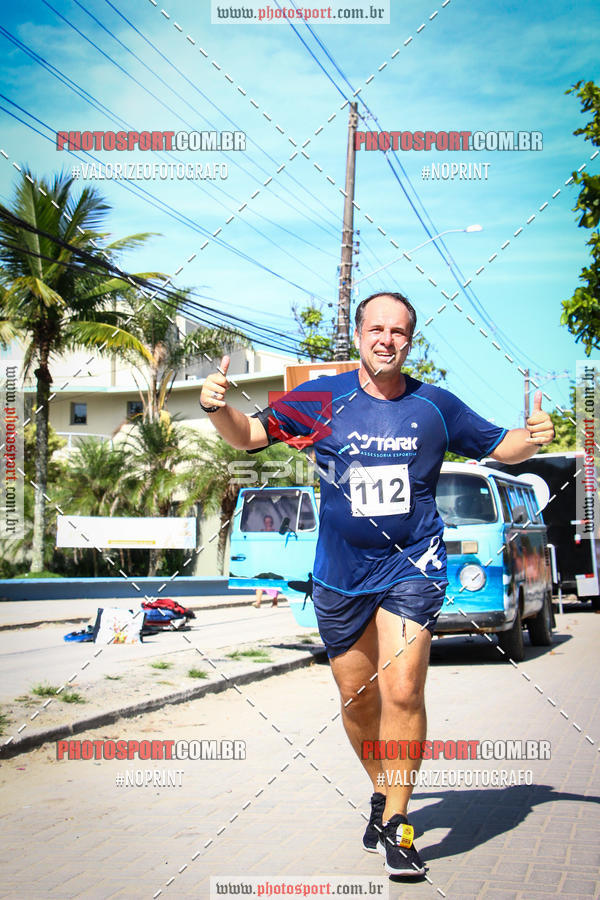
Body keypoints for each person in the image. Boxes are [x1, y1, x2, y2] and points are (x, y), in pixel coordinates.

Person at [199, 291, 554, 877]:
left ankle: (399, 820)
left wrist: (533, 436)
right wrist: (217, 410)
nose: (386, 339)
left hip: (413, 564)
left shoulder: (435, 406)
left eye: (399, 332)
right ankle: (380, 791)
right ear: (359, 334)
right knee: (357, 699)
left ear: (409, 341)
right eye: (377, 329)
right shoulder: (321, 399)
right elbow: (249, 436)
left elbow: (502, 446)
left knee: (404, 691)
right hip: (340, 572)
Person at [252, 515, 281, 608]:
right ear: (264, 523)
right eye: (266, 522)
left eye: (270, 522)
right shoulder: (261, 532)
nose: (268, 523)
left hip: (273, 561)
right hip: (262, 561)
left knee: (273, 584)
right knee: (259, 582)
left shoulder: (276, 533)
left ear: (272, 523)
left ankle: (275, 602)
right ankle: (258, 602)